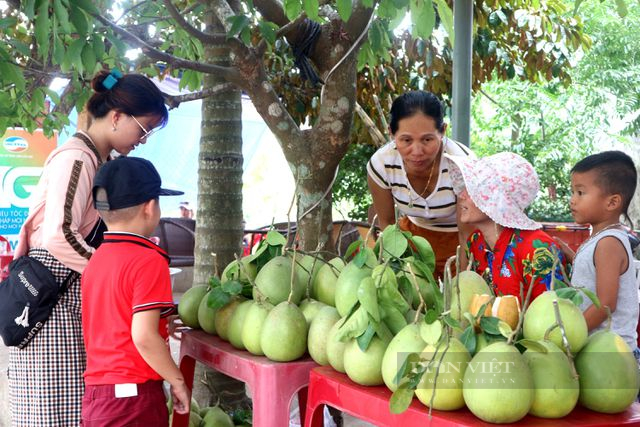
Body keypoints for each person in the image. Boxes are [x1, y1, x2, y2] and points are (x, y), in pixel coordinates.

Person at [8, 69, 168, 426]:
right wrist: (112, 274)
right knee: (54, 410)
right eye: (143, 129)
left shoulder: (100, 161)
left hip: (66, 295)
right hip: (53, 303)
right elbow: (57, 235)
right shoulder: (77, 159)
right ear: (116, 117)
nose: (143, 140)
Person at [81, 156, 190, 425]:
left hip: (97, 397)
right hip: (134, 402)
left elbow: (116, 318)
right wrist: (176, 379)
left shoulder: (96, 260)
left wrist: (165, 319)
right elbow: (142, 336)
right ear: (150, 207)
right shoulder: (149, 260)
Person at [367, 91, 474, 278]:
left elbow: (468, 233)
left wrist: (463, 282)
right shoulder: (381, 164)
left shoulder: (461, 164)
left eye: (427, 140)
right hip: (412, 240)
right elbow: (387, 224)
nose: (417, 151)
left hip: (459, 241)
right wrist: (397, 272)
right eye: (406, 140)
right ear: (392, 133)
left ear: (442, 131)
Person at [446, 152, 566, 301]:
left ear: (495, 199)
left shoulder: (538, 249)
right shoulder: (476, 242)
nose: (461, 195)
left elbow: (553, 312)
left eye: (472, 189)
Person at [555, 150, 638, 351]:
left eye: (580, 193)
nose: (572, 200)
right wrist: (570, 254)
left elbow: (606, 304)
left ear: (612, 202)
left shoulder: (609, 243)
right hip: (597, 348)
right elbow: (594, 274)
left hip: (610, 354)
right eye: (573, 192)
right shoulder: (602, 238)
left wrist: (569, 336)